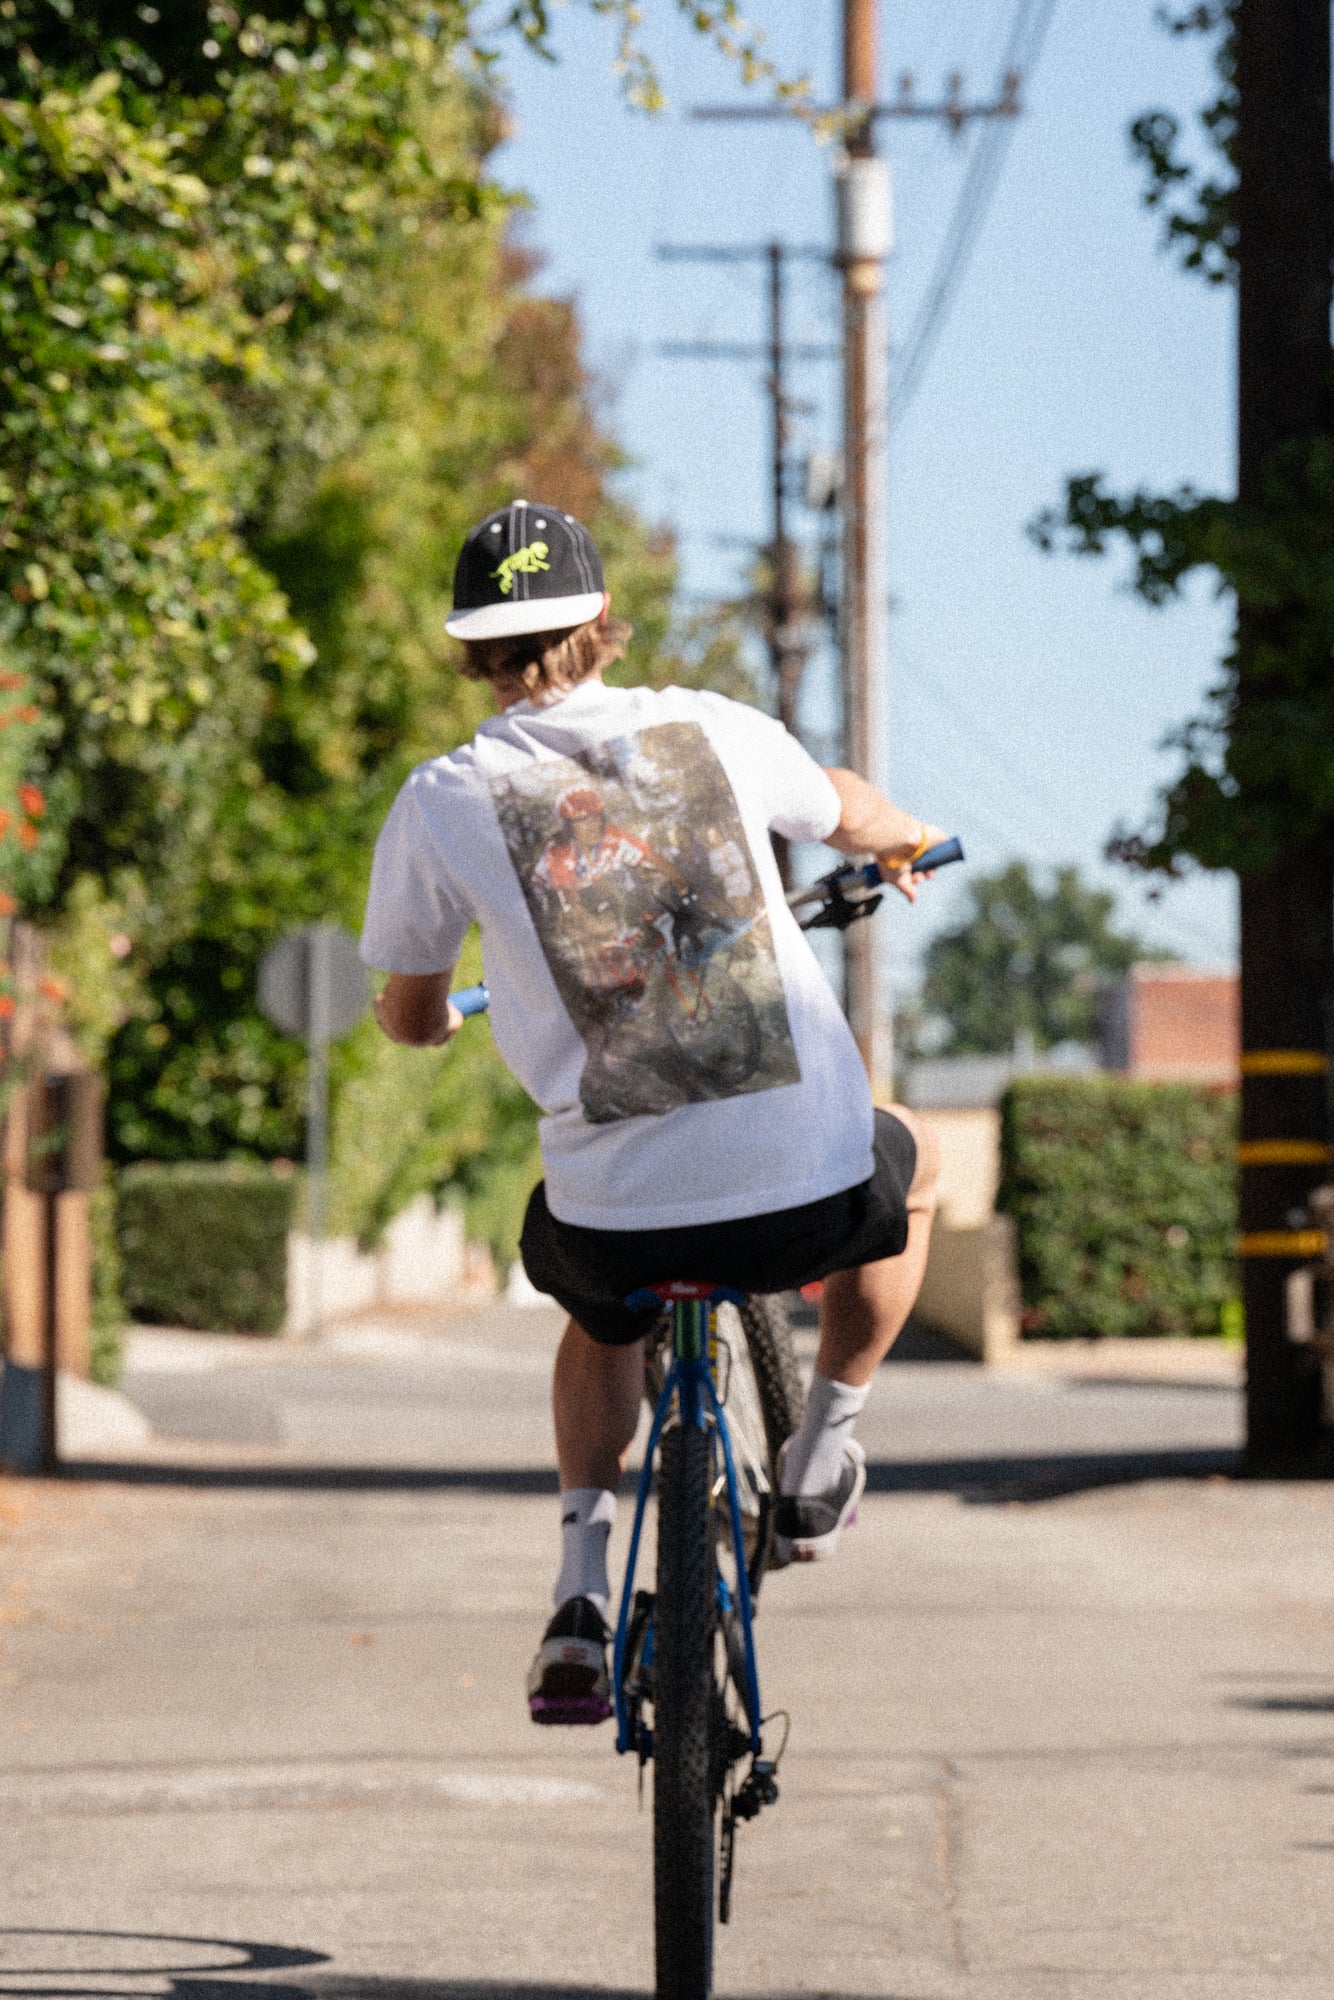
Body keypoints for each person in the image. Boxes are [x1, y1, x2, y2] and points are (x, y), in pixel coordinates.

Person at [361, 499, 944, 1727]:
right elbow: (842, 805)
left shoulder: (440, 798)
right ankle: (822, 1452)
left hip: (616, 1222)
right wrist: (905, 837)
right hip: (800, 1194)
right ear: (601, 620)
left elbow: (409, 1013)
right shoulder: (708, 726)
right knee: (922, 1163)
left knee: (598, 1312)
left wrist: (433, 1016)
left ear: (470, 647)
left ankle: (578, 1590)